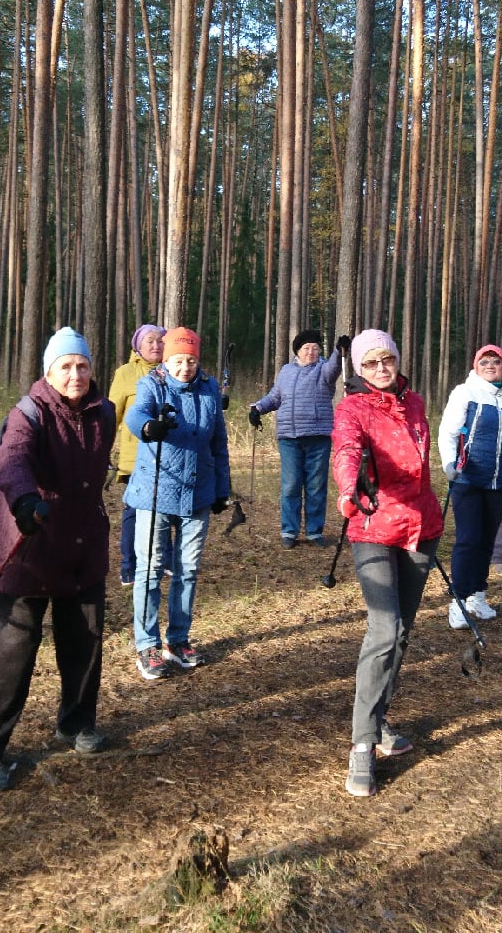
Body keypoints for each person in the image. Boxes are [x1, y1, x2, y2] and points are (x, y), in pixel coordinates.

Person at [0, 327, 115, 792]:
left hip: (82, 545)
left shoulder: (105, 412)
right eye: (65, 367)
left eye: (83, 365)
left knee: (84, 639)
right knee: (11, 650)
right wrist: (25, 499)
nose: (75, 375)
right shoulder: (28, 413)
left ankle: (76, 723)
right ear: (49, 372)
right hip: (28, 544)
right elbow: (9, 461)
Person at [330, 330, 444, 798]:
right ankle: (361, 744)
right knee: (385, 628)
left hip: (421, 527)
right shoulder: (352, 408)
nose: (381, 368)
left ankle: (378, 720)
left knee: (402, 632)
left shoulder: (415, 403)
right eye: (371, 362)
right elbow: (345, 449)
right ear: (359, 368)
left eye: (388, 359)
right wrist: (348, 486)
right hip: (372, 525)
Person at [124, 326, 231, 679]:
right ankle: (147, 644)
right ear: (166, 361)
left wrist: (222, 489)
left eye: (191, 361)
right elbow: (136, 413)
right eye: (178, 361)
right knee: (151, 567)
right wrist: (148, 427)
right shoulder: (152, 384)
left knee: (188, 569)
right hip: (154, 490)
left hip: (199, 490)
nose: (185, 368)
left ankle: (178, 639)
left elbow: (218, 442)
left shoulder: (209, 388)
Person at [438, 344, 502, 627]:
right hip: (468, 479)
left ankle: (477, 594)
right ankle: (458, 600)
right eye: (484, 361)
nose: (490, 366)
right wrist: (449, 464)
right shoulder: (465, 393)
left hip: (500, 482)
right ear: (476, 367)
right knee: (468, 539)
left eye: (496, 361)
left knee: (487, 540)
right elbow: (448, 432)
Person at [249, 329, 349, 547]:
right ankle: (289, 531)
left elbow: (334, 368)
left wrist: (338, 351)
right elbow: (275, 397)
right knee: (290, 485)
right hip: (289, 438)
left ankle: (314, 532)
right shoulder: (286, 371)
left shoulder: (323, 369)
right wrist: (257, 408)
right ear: (297, 351)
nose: (311, 352)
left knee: (316, 486)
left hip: (318, 436)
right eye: (306, 348)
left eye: (315, 348)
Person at [108, 323, 165, 583]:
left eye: (160, 340)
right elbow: (112, 415)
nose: (156, 345)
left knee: (166, 509)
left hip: (168, 457)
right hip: (136, 457)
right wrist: (104, 450)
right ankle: (129, 567)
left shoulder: (173, 370)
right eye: (150, 341)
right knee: (134, 511)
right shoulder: (125, 373)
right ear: (138, 346)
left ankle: (165, 561)